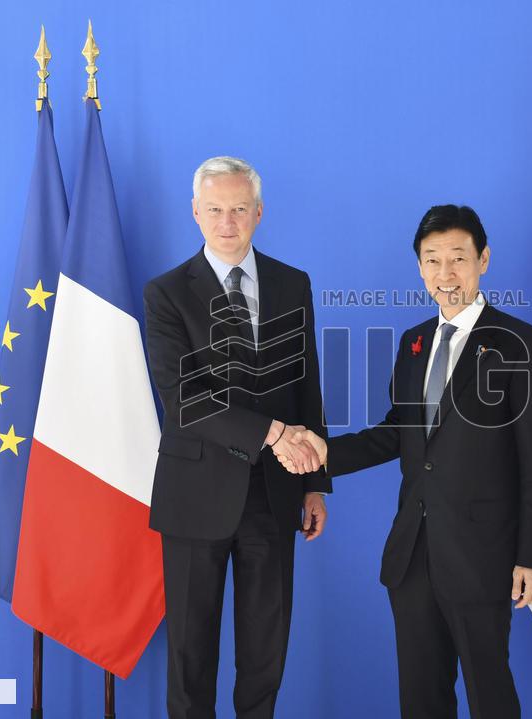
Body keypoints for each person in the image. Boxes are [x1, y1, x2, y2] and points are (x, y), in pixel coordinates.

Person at [284, 205, 532, 719]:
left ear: (484, 260)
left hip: (484, 556)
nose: (445, 273)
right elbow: (398, 434)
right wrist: (324, 455)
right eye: (432, 260)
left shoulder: (522, 344)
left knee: (490, 696)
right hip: (413, 556)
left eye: (458, 258)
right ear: (419, 268)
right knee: (420, 699)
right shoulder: (414, 344)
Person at [143, 156, 329, 719]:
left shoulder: (292, 283)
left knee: (265, 655)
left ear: (258, 213)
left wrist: (315, 483)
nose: (228, 222)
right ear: (196, 212)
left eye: (239, 210)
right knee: (190, 657)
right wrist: (272, 433)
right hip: (195, 494)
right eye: (217, 210)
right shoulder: (167, 293)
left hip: (274, 495)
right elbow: (184, 401)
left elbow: (306, 387)